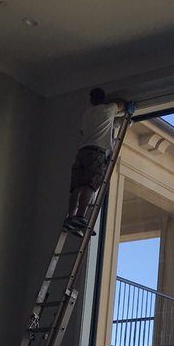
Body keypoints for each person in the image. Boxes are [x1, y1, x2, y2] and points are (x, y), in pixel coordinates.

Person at [63, 88, 134, 236]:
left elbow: (103, 126)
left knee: (77, 186)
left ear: (91, 100)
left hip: (82, 152)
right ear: (104, 99)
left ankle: (70, 217)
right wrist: (129, 108)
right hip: (96, 153)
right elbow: (121, 104)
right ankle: (80, 217)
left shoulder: (87, 114)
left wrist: (123, 121)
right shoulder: (108, 109)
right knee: (90, 184)